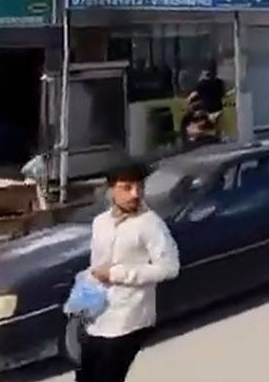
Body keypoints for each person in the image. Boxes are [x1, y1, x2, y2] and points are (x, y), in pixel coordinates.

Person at [76, 161, 179, 382]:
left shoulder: (150, 224)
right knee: (85, 377)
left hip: (128, 319)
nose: (135, 194)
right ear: (111, 190)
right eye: (127, 187)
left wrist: (119, 273)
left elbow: (170, 267)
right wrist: (83, 298)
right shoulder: (100, 223)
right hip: (97, 318)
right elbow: (96, 267)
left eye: (139, 187)